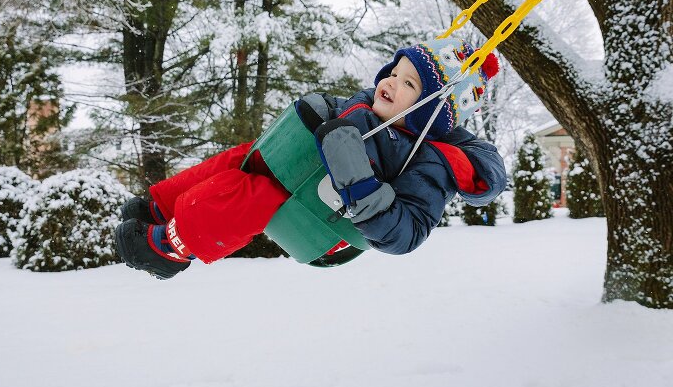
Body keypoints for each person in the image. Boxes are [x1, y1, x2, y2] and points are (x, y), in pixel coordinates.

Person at [115, 37, 507, 280]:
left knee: (255, 191)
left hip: (327, 225)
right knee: (245, 157)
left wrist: (360, 183)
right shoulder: (366, 107)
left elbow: (407, 233)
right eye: (394, 72)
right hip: (299, 174)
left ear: (430, 114)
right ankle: (160, 207)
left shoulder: (429, 161)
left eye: (409, 84)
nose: (389, 83)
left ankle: (171, 246)